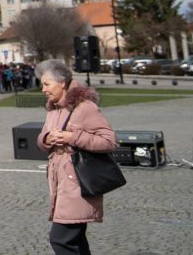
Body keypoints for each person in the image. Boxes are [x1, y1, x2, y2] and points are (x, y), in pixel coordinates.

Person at [36, 59, 117, 255]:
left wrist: (73, 137)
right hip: (60, 183)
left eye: (46, 84)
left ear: (62, 82)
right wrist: (48, 138)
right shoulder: (53, 109)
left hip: (79, 184)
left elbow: (109, 141)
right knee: (76, 241)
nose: (43, 90)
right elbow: (41, 140)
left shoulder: (84, 107)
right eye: (42, 85)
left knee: (61, 240)